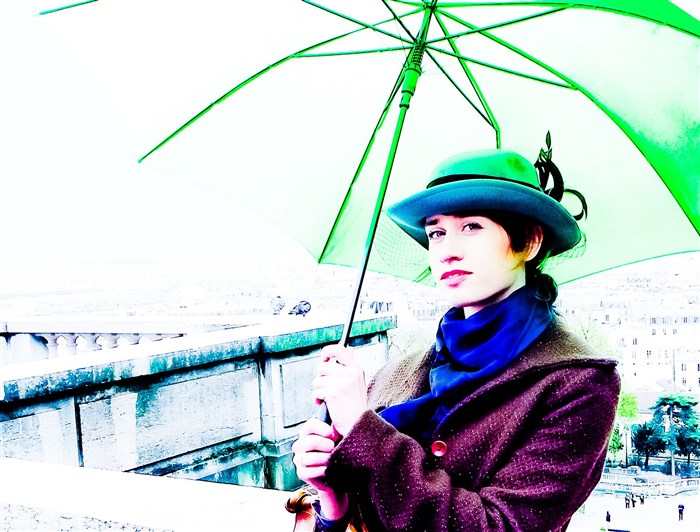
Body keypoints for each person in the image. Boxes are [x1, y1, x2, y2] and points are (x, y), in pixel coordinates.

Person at [291, 149, 621, 531]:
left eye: (472, 227)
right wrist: (335, 503)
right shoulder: (400, 372)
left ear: (529, 242)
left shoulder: (577, 385)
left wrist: (363, 431)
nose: (447, 252)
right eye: (436, 233)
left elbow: (502, 526)